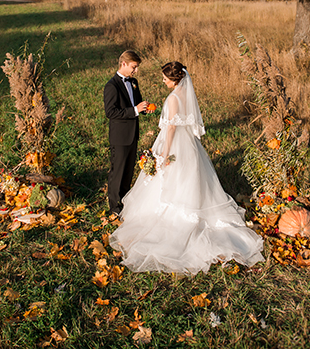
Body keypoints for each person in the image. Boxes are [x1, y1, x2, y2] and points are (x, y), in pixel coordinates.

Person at [109, 61, 264, 275]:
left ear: (175, 80)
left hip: (174, 144)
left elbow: (171, 127)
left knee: (169, 180)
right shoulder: (185, 96)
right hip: (189, 145)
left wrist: (165, 153)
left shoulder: (173, 98)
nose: (163, 81)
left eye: (165, 78)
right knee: (191, 179)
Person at [103, 50, 149, 216]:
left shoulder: (134, 82)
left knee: (128, 170)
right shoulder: (112, 86)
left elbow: (135, 104)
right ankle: (114, 207)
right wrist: (134, 111)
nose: (135, 70)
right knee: (118, 171)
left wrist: (143, 108)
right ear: (123, 64)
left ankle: (124, 201)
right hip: (120, 136)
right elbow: (111, 112)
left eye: (136, 67)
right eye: (133, 67)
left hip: (132, 134)